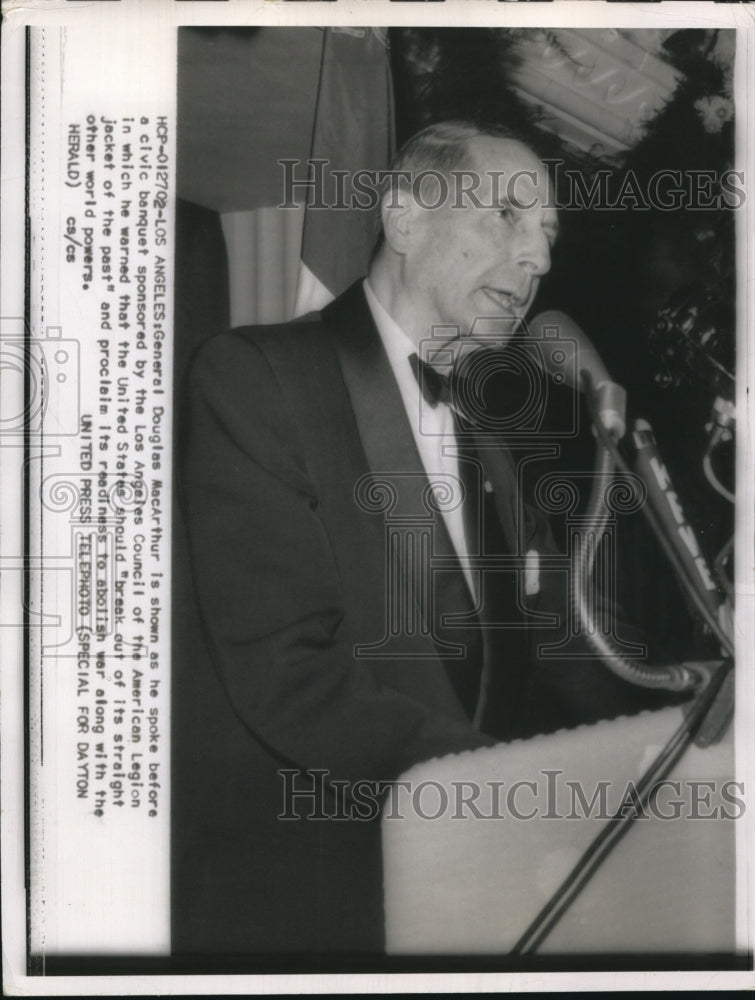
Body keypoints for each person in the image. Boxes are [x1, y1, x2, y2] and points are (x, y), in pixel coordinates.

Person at [174, 121, 665, 959]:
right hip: (304, 912)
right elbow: (287, 672)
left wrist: (680, 714)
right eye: (508, 218)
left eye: (547, 234)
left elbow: (558, 648)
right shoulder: (253, 376)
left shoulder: (497, 453)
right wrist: (505, 789)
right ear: (404, 220)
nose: (538, 259)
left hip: (467, 905)